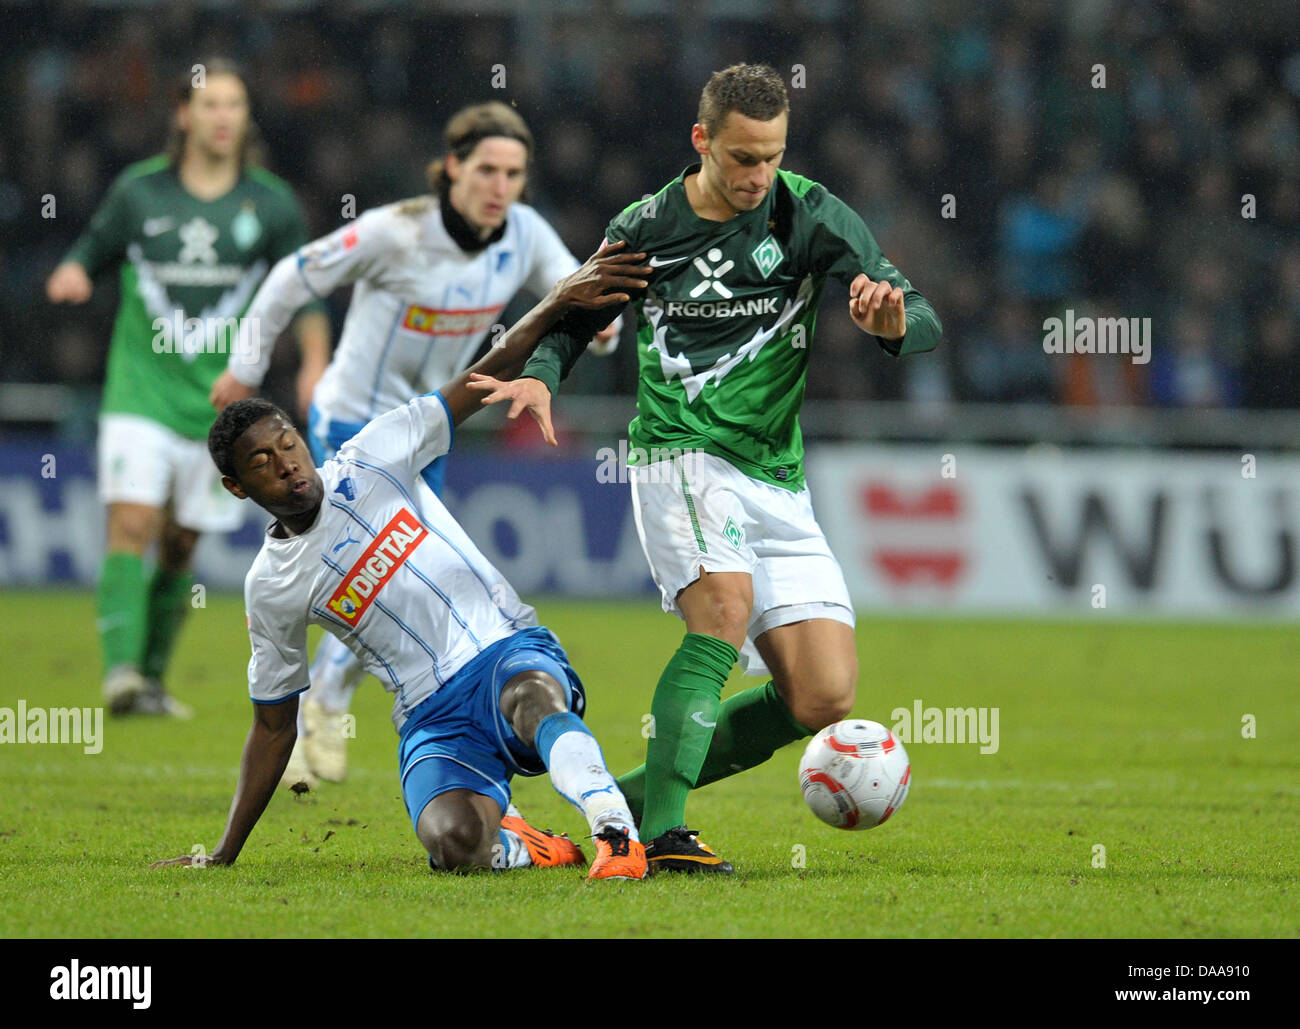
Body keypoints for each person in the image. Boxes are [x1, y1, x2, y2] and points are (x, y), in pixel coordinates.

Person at [480, 64, 942, 873]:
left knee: (822, 696)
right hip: (679, 453)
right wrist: (542, 375)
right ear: (702, 142)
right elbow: (579, 316)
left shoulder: (809, 213)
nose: (758, 176)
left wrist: (892, 323)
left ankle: (612, 801)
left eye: (771, 157)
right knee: (722, 615)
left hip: (777, 474)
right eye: (741, 159)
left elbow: (924, 318)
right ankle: (659, 837)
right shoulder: (649, 224)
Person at [153, 244, 652, 879]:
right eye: (262, 463)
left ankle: (615, 835)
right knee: (454, 846)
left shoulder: (372, 456)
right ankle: (527, 844)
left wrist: (555, 301)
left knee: (535, 698)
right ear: (237, 486)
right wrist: (224, 852)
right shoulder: (272, 586)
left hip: (503, 649)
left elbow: (483, 373)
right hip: (430, 716)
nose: (287, 466)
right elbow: (274, 727)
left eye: (289, 445)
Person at [209, 102, 620, 789]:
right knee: (363, 574)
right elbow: (291, 276)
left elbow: (577, 284)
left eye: (514, 173)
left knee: (393, 578)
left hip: (430, 429)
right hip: (352, 429)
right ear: (453, 167)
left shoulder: (522, 232)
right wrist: (246, 365)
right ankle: (326, 707)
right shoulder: (394, 232)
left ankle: (341, 704)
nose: (501, 186)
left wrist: (602, 323)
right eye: (486, 168)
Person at [46, 58, 329, 717]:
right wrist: (73, 272)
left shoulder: (272, 203)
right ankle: (118, 670)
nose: (223, 116)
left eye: (234, 104)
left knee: (180, 542)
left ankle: (148, 679)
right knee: (133, 522)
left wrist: (316, 359)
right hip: (139, 393)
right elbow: (90, 250)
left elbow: (308, 291)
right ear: (184, 115)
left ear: (245, 116)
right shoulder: (138, 193)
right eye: (210, 104)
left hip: (219, 408)